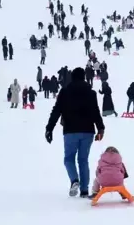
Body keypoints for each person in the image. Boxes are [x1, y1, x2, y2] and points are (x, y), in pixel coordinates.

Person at [45, 67, 105, 197]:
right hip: (88, 131)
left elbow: (56, 111)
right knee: (83, 160)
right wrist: (101, 128)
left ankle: (74, 180)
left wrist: (49, 128)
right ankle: (84, 190)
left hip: (70, 131)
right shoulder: (91, 93)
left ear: (72, 77)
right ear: (84, 77)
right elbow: (95, 111)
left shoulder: (65, 92)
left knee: (69, 158)